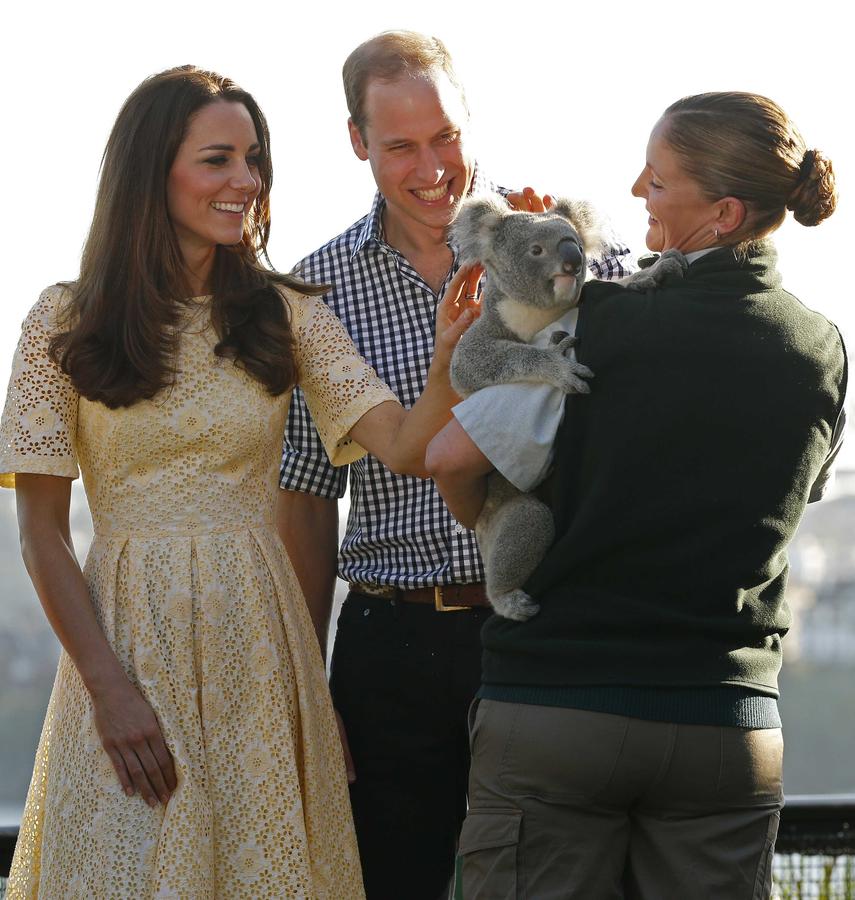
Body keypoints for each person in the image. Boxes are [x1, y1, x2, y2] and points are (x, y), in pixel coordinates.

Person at [0, 65, 478, 899]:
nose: (247, 182)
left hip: (262, 655)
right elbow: (41, 532)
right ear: (153, 170)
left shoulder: (286, 311)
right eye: (219, 159)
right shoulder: (61, 318)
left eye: (253, 158)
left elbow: (403, 447)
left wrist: (445, 359)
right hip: (125, 649)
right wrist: (108, 690)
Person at [426, 91, 846, 899]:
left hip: (561, 709)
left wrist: (493, 527)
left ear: (721, 212)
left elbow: (449, 456)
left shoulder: (598, 325)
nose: (632, 194)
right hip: (726, 725)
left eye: (654, 183)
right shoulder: (819, 347)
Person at [276, 30, 633, 900]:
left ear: (469, 123)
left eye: (445, 137)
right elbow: (307, 497)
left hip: (548, 628)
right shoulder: (315, 290)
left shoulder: (569, 242)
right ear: (358, 142)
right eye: (400, 146)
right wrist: (306, 684)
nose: (432, 166)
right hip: (390, 648)